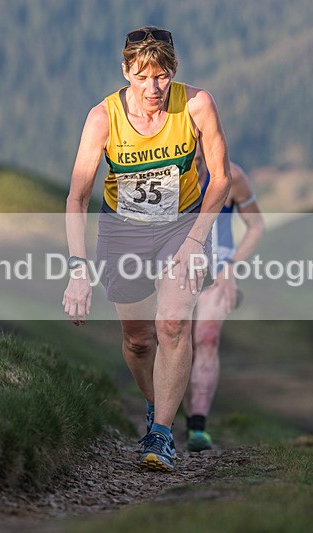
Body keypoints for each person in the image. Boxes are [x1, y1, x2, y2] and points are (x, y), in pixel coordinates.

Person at [62, 26, 232, 472]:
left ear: (173, 71)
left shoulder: (197, 105)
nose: (153, 88)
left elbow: (222, 178)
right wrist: (79, 270)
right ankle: (158, 405)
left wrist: (196, 241)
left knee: (173, 322)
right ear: (125, 72)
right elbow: (77, 197)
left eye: (162, 76)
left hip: (182, 224)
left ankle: (161, 434)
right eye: (141, 77)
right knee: (138, 341)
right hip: (123, 230)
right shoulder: (103, 118)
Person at [181, 147, 265, 452]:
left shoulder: (233, 176)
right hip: (176, 270)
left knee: (207, 338)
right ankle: (181, 415)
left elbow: (256, 226)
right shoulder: (170, 173)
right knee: (179, 341)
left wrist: (232, 265)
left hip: (217, 272)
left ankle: (197, 425)